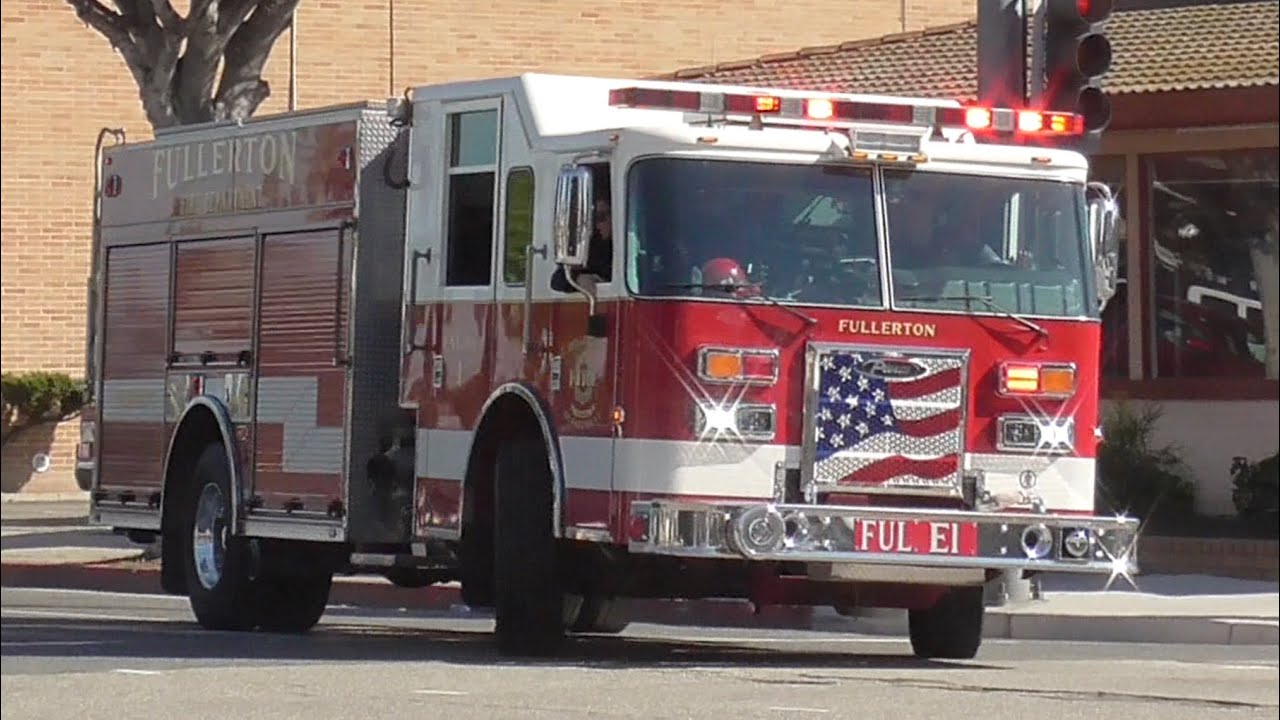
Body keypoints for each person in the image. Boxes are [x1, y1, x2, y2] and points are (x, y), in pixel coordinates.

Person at [551, 197, 613, 294]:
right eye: (593, 219)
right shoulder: (592, 249)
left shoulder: (634, 245)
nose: (595, 225)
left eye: (601, 217)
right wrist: (578, 278)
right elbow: (557, 280)